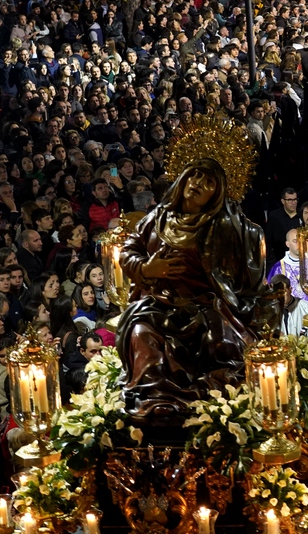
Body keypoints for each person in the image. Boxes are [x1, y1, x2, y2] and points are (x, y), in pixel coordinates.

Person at [117, 158, 276, 424]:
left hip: (207, 308)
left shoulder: (226, 227)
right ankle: (157, 401)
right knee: (141, 336)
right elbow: (127, 252)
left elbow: (246, 275)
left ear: (218, 194)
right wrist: (147, 269)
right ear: (184, 180)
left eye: (209, 182)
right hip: (160, 307)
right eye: (196, 176)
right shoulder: (158, 218)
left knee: (221, 345)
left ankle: (205, 402)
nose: (199, 184)